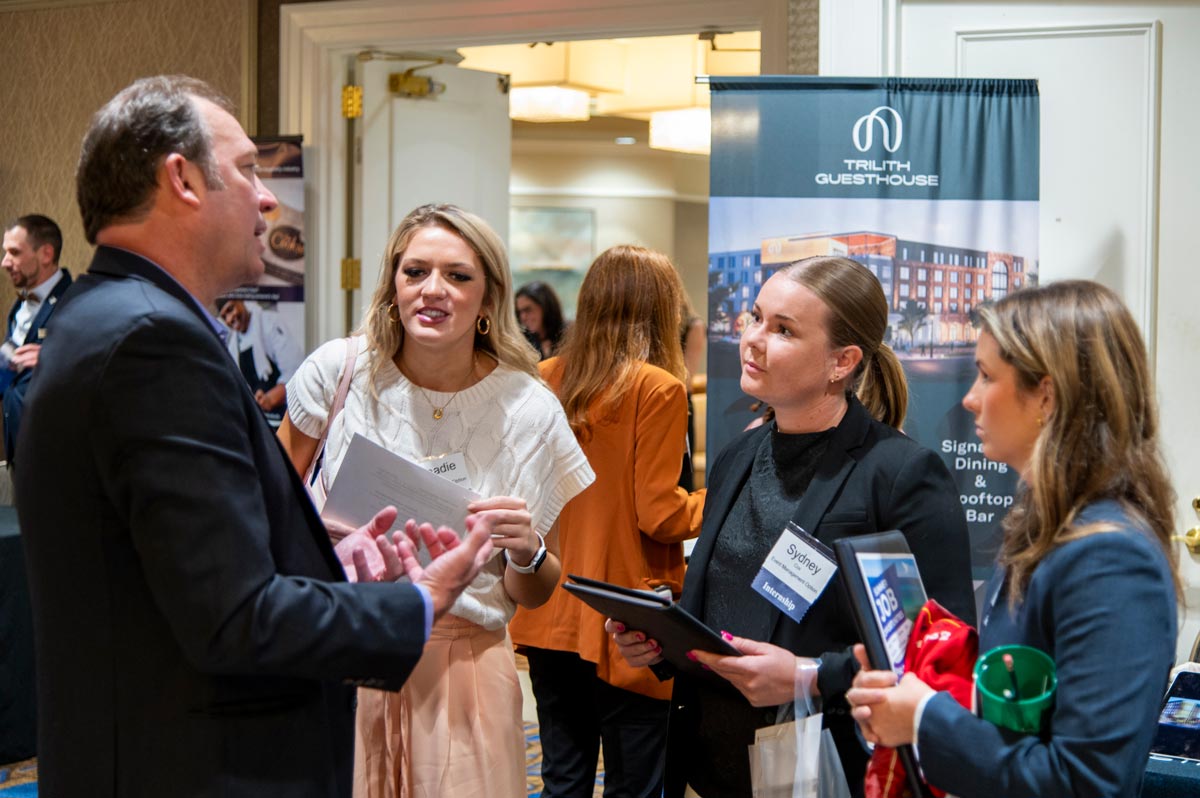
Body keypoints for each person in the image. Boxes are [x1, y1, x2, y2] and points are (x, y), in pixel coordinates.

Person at [15, 75, 493, 798]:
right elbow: (235, 619)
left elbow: (170, 569)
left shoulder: (99, 316)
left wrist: (317, 560)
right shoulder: (154, 341)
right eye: (245, 170)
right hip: (198, 766)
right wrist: (419, 600)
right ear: (180, 179)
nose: (268, 198)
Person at [609, 255, 975, 798]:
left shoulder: (899, 475)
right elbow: (727, 608)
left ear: (841, 361)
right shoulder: (738, 455)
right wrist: (664, 640)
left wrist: (810, 675)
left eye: (783, 330)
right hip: (709, 764)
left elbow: (943, 653)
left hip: (828, 765)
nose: (753, 339)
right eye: (755, 317)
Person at [278, 203, 594, 798]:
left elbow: (531, 591)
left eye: (458, 275)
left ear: (488, 300)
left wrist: (527, 551)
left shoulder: (529, 410)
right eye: (415, 271)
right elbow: (267, 513)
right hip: (338, 651)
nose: (433, 290)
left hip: (464, 670)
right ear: (392, 284)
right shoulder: (339, 371)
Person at [847, 280, 1180, 798]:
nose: (970, 399)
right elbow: (1019, 715)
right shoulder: (1048, 525)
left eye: (985, 376)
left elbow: (1088, 782)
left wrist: (926, 719)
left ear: (1045, 394)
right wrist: (912, 699)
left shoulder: (1111, 558)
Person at [509, 245, 706, 798]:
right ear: (660, 309)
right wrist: (723, 496)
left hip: (550, 608)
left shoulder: (545, 377)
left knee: (563, 780)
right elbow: (662, 514)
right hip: (628, 617)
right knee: (635, 786)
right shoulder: (659, 387)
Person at [1, 214, 72, 464]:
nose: (4, 262)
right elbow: (10, 364)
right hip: (19, 448)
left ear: (45, 254)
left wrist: (55, 358)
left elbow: (99, 368)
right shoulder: (19, 306)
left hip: (57, 454)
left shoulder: (77, 302)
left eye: (14, 253)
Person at [218, 297, 303, 425]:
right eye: (225, 317)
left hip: (285, 419)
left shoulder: (269, 322)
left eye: (231, 309)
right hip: (259, 421)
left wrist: (269, 399)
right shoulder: (234, 344)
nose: (230, 319)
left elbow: (295, 372)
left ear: (241, 301)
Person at [515, 280, 566, 360]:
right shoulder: (523, 344)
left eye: (528, 310)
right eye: (519, 312)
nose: (523, 317)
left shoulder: (569, 337)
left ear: (545, 307)